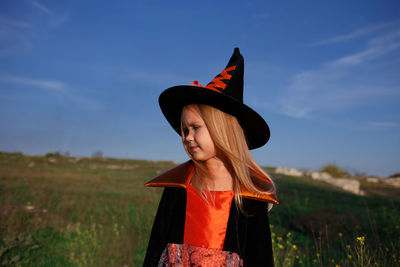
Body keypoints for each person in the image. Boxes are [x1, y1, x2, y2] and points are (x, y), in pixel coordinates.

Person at [143, 48, 278, 267]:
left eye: (196, 127)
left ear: (222, 130)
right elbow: (154, 251)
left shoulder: (250, 198)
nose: (187, 137)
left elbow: (261, 260)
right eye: (184, 130)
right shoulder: (178, 187)